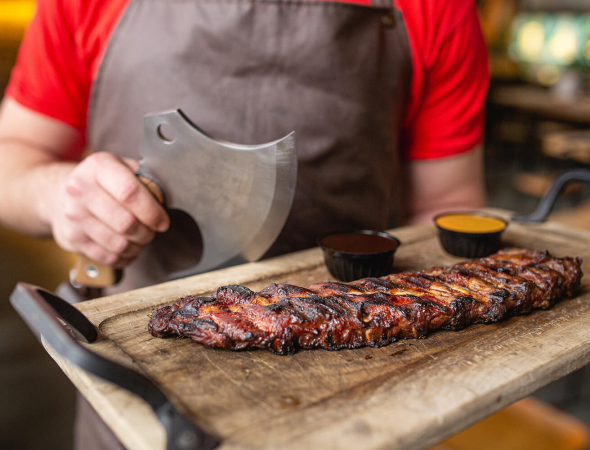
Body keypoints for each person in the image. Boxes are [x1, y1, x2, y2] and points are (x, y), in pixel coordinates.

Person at [0, 0, 489, 447]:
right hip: (140, 396)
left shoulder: (437, 7)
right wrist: (58, 196)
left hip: (363, 393)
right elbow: (11, 159)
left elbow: (449, 204)